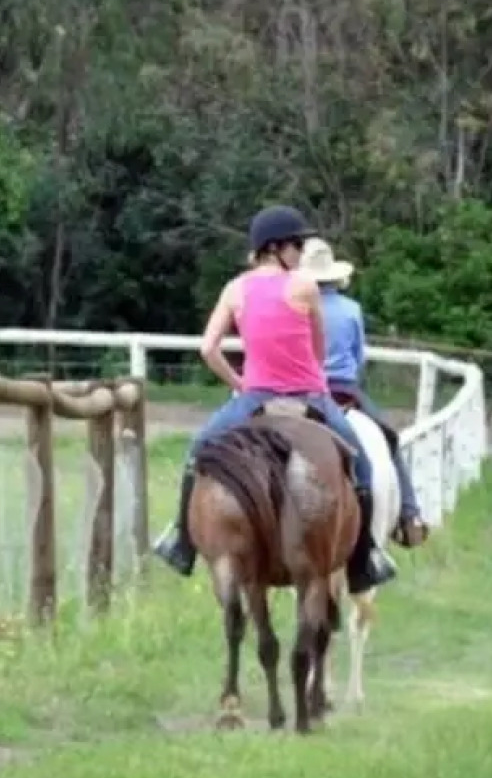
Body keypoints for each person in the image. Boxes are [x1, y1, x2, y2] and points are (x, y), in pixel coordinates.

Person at [150, 206, 399, 590]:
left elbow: (207, 349)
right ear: (277, 247)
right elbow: (316, 350)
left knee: (198, 451)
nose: (301, 252)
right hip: (311, 396)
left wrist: (238, 379)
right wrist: (311, 380)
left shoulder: (235, 289)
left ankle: (181, 541)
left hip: (255, 397)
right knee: (360, 462)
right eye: (297, 244)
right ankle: (366, 556)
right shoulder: (305, 288)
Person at [301, 238, 432, 539]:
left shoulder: (297, 307)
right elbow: (359, 356)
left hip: (304, 387)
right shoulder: (351, 310)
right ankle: (409, 515)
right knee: (388, 438)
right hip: (344, 388)